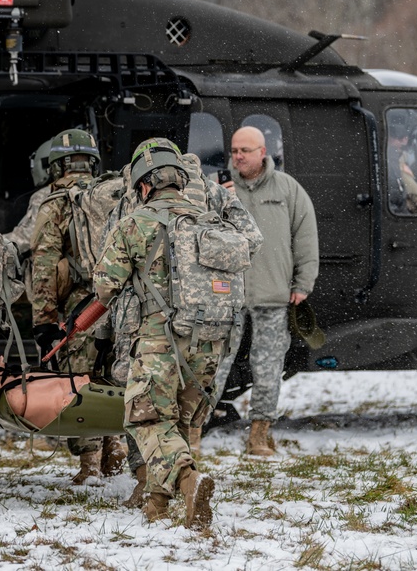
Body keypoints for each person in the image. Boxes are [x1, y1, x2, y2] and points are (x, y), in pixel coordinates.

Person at [92, 138, 221, 527]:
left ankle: (187, 478)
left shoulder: (136, 223)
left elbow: (104, 286)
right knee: (179, 421)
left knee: (146, 419)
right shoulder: (211, 221)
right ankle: (158, 505)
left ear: (144, 185)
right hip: (210, 338)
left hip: (159, 335)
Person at [30, 128, 126, 484]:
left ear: (55, 167)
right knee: (116, 377)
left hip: (80, 306)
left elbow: (43, 264)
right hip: (120, 302)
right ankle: (116, 447)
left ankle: (89, 466)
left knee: (79, 383)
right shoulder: (118, 195)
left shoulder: (56, 204)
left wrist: (43, 320)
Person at [222, 125, 318, 456]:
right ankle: (192, 433)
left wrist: (303, 284)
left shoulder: (287, 189)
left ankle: (259, 436)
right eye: (234, 150)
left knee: (268, 369)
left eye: (244, 151)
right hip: (226, 299)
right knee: (213, 367)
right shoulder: (220, 190)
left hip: (273, 296)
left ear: (262, 152)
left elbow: (305, 238)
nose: (238, 156)